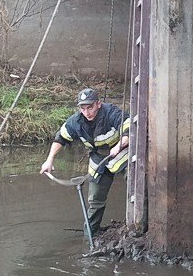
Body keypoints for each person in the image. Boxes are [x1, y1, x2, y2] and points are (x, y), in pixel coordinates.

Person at [40, 87, 129, 235]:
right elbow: (60, 138)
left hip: (120, 152)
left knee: (134, 179)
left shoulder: (111, 112)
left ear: (98, 104)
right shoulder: (75, 121)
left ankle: (141, 224)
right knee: (94, 201)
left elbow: (128, 126)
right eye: (83, 108)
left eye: (90, 107)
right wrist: (49, 160)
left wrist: (120, 144)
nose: (87, 112)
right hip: (97, 159)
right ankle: (89, 237)